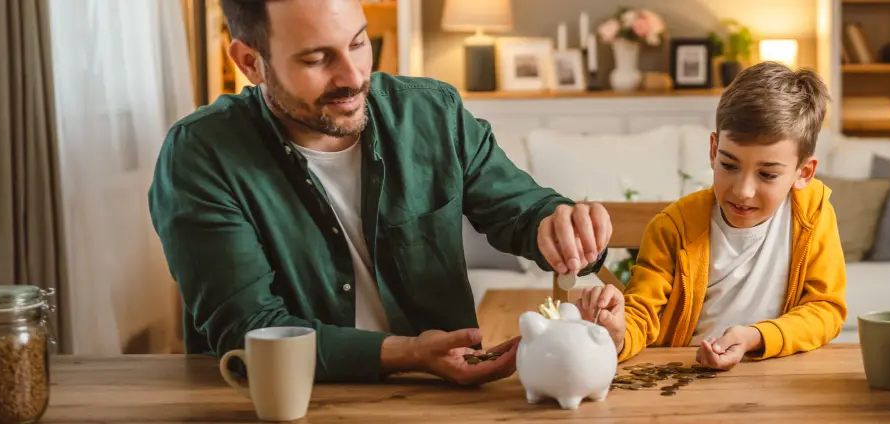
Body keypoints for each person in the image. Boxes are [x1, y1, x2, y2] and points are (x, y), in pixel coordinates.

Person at [147, 0, 611, 384]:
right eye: (316, 58)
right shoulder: (201, 154)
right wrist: (408, 353)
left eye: (358, 42)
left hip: (434, 399)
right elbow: (249, 330)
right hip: (278, 403)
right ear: (251, 62)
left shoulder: (432, 113)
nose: (352, 77)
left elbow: (524, 211)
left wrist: (564, 225)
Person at [574, 62, 847, 370]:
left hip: (778, 374)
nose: (743, 191)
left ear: (804, 172)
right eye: (729, 165)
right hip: (686, 377)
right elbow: (641, 315)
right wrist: (618, 333)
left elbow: (825, 309)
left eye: (767, 174)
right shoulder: (672, 228)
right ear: (714, 149)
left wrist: (756, 337)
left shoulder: (814, 214)